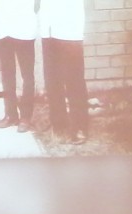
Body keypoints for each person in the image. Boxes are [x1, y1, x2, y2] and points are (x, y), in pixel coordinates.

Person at [38, 0, 88, 144]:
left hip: (70, 31)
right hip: (49, 31)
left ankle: (80, 127)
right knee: (53, 81)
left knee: (74, 82)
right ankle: (58, 123)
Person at [0, 0, 37, 133]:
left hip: (24, 28)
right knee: (7, 75)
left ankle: (26, 117)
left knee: (27, 76)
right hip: (4, 28)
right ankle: (11, 114)